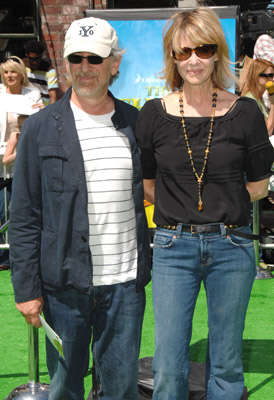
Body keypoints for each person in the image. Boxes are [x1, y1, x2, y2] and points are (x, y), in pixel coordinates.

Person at [135, 7, 273, 400]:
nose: (193, 60)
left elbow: (260, 185)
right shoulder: (154, 115)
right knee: (168, 360)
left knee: (227, 360)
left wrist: (218, 202)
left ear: (217, 53)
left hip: (232, 246)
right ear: (172, 58)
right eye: (183, 52)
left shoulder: (245, 112)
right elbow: (147, 185)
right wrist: (185, 210)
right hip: (171, 248)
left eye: (203, 49)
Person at [9, 17, 151, 399]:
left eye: (95, 58)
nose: (85, 68)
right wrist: (26, 289)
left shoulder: (135, 124)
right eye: (76, 59)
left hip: (124, 285)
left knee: (120, 390)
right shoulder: (39, 128)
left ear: (114, 64)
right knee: (64, 390)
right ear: (66, 64)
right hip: (63, 287)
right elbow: (23, 216)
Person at [0, 56, 42, 271]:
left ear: (21, 74)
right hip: (4, 152)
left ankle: (14, 255)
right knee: (1, 207)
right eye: (6, 72)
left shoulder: (32, 93)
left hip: (22, 151)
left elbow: (37, 117)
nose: (9, 76)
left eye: (13, 72)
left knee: (17, 207)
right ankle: (2, 254)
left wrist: (40, 109)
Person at [241, 58, 274, 136]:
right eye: (270, 75)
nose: (273, 79)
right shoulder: (250, 101)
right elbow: (267, 132)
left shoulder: (258, 97)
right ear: (257, 76)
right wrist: (273, 104)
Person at [23, 39, 59, 106]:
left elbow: (53, 97)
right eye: (32, 59)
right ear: (26, 55)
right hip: (25, 107)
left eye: (38, 59)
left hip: (43, 109)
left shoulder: (49, 71)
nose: (35, 62)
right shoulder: (21, 66)